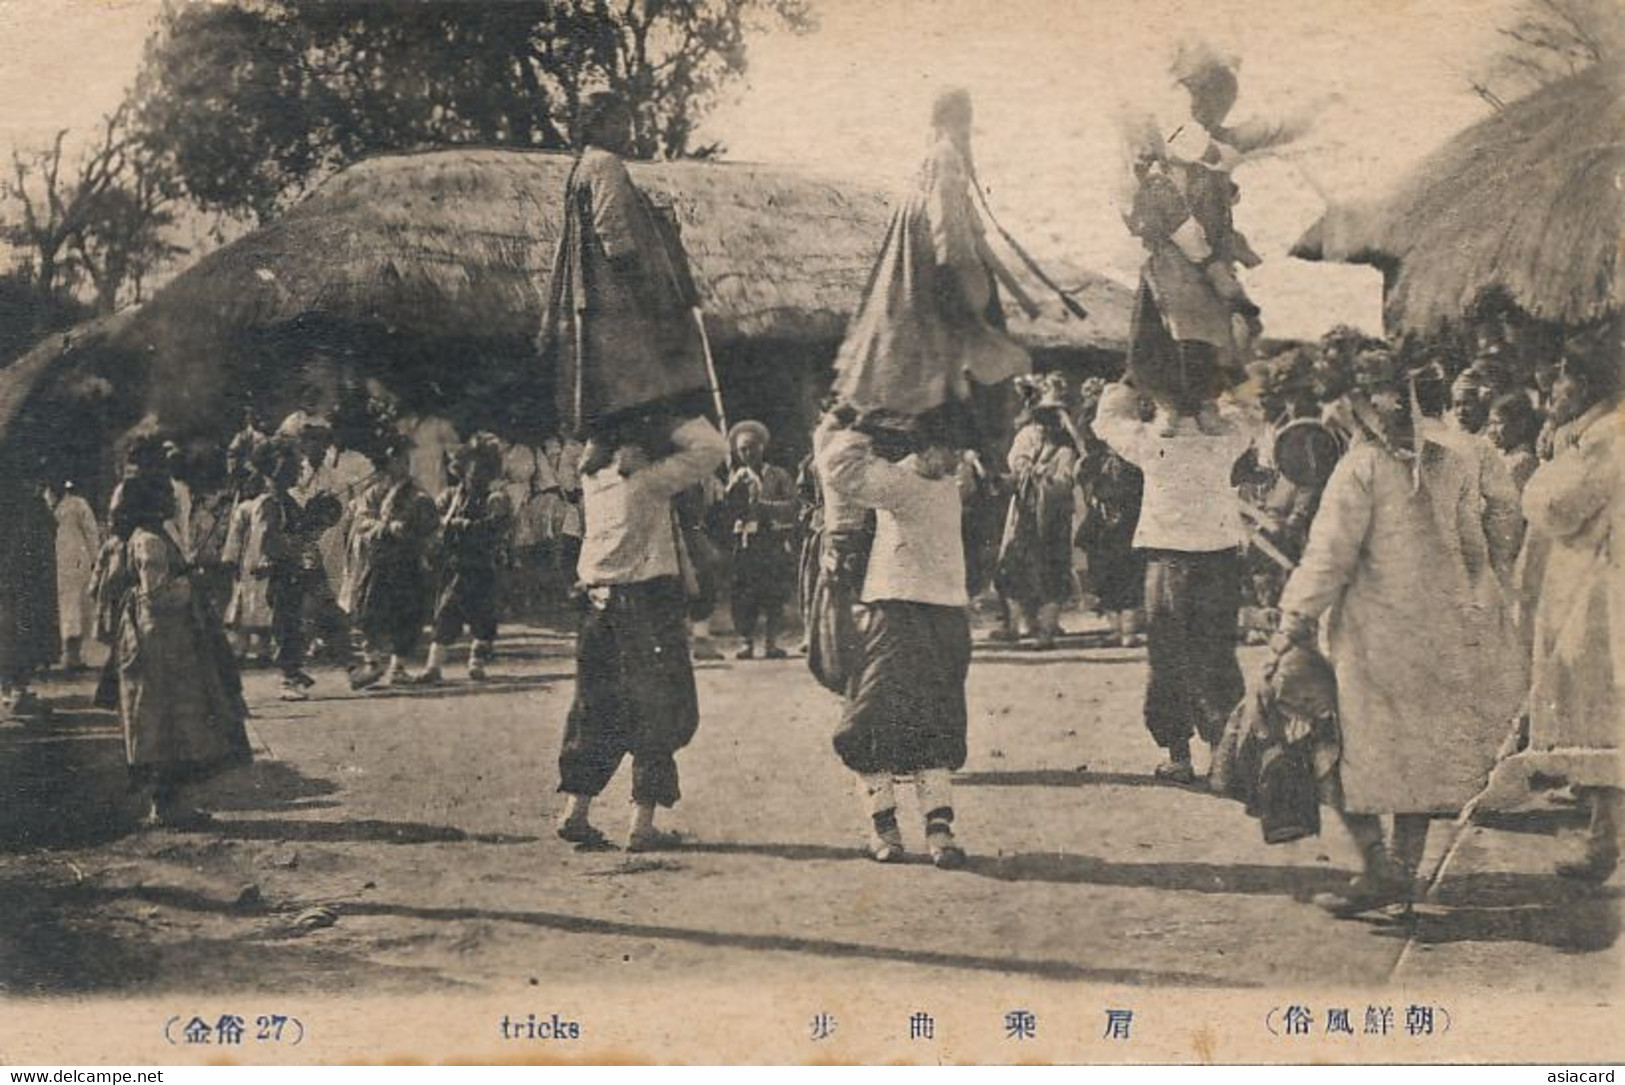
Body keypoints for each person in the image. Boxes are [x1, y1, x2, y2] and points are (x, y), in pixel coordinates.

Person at [1273, 348, 1514, 915]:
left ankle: (1380, 865)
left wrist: (1295, 619)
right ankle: (1402, 870)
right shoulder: (1449, 463)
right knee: (1418, 756)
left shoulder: (1359, 468)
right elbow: (1474, 551)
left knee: (1335, 746)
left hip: (1372, 638)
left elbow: (1329, 556)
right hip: (1439, 631)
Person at [555, 411, 727, 852]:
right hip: (647, 602)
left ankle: (576, 811)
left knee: (595, 705)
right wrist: (670, 414)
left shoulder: (593, 479)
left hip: (597, 602)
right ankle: (641, 823)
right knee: (658, 708)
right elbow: (711, 448)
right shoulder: (648, 480)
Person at [816, 408, 974, 869]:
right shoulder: (897, 483)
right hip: (895, 614)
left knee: (938, 723)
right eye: (948, 452)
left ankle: (939, 830)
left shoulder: (945, 482)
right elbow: (836, 467)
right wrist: (860, 428)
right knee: (871, 723)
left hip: (945, 615)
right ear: (923, 449)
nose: (955, 462)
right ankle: (883, 827)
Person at [832, 88, 1037, 419]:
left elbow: (963, 220)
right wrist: (956, 265)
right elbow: (947, 218)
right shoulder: (945, 156)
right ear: (954, 121)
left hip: (928, 260)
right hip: (939, 261)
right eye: (964, 123)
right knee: (960, 333)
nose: (967, 132)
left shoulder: (934, 158)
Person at [1093, 375, 1258, 784]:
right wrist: (1218, 406)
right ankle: (1223, 756)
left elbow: (1107, 417)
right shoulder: (1222, 443)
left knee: (1168, 659)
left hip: (1168, 565)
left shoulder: (1153, 443)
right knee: (1217, 657)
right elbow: (1248, 411)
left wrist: (1134, 380)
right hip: (1220, 564)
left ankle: (1179, 757)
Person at [95, 470, 251, 828]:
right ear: (152, 503)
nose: (172, 500)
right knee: (166, 723)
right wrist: (191, 581)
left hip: (166, 642)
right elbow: (156, 596)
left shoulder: (151, 535)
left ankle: (169, 805)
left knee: (169, 724)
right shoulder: (149, 540)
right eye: (165, 495)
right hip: (159, 646)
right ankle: (165, 808)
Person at [1516, 350, 1621, 882]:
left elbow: (1556, 507)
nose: (1552, 389)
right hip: (1596, 585)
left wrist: (1545, 466)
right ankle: (1603, 840)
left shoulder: (1605, 436)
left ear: (1580, 383)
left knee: (1601, 715)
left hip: (1601, 592)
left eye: (1559, 377)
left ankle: (1604, 845)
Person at [342, 435, 440, 690]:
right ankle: (373, 662)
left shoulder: (417, 494)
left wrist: (421, 536)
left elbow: (430, 525)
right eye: (397, 460)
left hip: (407, 563)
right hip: (380, 563)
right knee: (371, 613)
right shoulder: (374, 492)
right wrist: (385, 527)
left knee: (408, 614)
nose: (402, 466)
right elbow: (362, 521)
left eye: (406, 460)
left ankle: (398, 666)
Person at [993, 376, 1079, 650]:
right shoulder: (1026, 436)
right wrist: (1025, 469)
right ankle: (1018, 625)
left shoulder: (1067, 445)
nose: (1046, 421)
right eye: (1043, 414)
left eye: (1053, 415)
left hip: (1052, 517)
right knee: (1015, 565)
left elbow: (1067, 478)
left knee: (1052, 569)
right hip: (1024, 512)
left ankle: (1046, 631)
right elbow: (1016, 464)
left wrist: (1044, 477)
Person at [419, 434, 511, 684]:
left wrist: (462, 526)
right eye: (471, 466)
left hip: (482, 566)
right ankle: (434, 667)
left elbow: (494, 528)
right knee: (446, 612)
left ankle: (477, 662)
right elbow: (434, 522)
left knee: (483, 618)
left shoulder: (496, 498)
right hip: (454, 565)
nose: (475, 473)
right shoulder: (450, 497)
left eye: (482, 467)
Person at [1073, 380, 1146, 647]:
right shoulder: (1094, 460)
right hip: (1106, 518)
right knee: (1108, 569)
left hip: (1128, 515)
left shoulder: (1134, 454)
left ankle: (1126, 629)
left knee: (1127, 568)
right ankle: (1118, 629)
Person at [722, 420, 797, 660]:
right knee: (744, 592)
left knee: (774, 591)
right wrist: (734, 497)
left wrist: (765, 507)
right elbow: (727, 510)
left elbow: (794, 505)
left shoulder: (778, 475)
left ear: (762, 447)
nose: (747, 453)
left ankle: (772, 642)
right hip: (745, 541)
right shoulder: (737, 477)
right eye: (742, 449)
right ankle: (746, 642)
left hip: (772, 539)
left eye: (752, 447)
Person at [0, 468, 60, 721]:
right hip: (21, 583)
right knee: (19, 634)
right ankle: (16, 693)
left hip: (20, 581)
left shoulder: (26, 504)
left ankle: (12, 691)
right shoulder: (28, 506)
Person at [50, 479, 101, 673]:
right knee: (63, 607)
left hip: (76, 562)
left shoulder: (78, 504)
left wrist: (96, 558)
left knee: (76, 607)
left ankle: (73, 656)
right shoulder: (46, 504)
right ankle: (62, 653)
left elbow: (91, 531)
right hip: (55, 562)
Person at [1484, 392, 1542, 494]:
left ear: (1520, 425)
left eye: (1498, 423)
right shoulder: (1503, 454)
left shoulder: (1523, 461)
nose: (1491, 431)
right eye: (1490, 424)